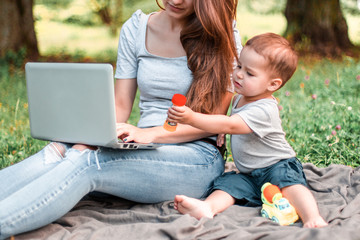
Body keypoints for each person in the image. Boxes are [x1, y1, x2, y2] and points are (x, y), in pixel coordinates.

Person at [0, 0, 242, 238]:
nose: (175, 0)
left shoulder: (221, 32)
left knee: (87, 162)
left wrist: (152, 133)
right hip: (142, 148)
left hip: (196, 157)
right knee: (60, 149)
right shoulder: (136, 28)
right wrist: (92, 135)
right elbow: (120, 105)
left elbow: (214, 119)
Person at [168, 33, 328, 228]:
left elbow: (231, 124)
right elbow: (232, 124)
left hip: (276, 165)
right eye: (239, 66)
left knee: (289, 184)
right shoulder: (238, 99)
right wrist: (223, 131)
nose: (239, 74)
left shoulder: (264, 109)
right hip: (249, 173)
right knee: (228, 185)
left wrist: (191, 118)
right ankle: (207, 207)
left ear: (273, 84)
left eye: (250, 73)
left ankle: (312, 216)